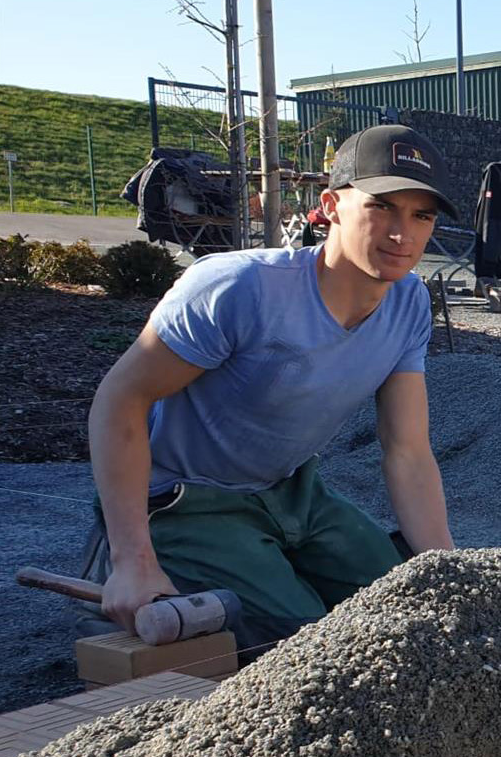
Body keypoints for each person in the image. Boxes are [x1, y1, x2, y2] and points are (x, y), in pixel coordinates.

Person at [88, 124, 458, 650]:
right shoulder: (240, 289)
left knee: (408, 606)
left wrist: (447, 571)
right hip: (185, 497)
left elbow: (408, 450)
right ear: (331, 205)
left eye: (421, 215)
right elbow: (119, 400)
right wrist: (133, 560)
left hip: (292, 492)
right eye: (382, 207)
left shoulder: (408, 303)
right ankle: (129, 561)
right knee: (306, 644)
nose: (403, 233)